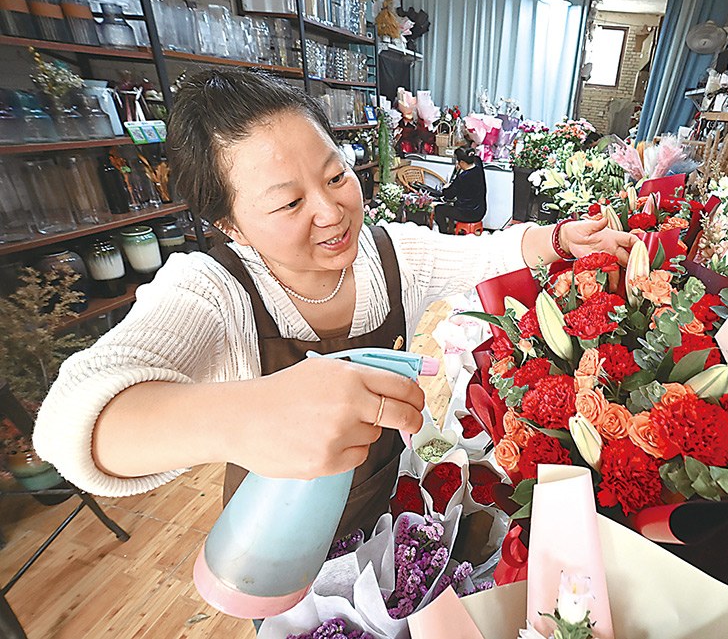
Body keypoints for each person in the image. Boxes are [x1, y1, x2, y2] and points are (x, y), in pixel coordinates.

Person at [32, 69, 637, 546]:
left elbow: (477, 256)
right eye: (289, 204)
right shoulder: (210, 289)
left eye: (335, 176)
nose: (331, 211)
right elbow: (67, 423)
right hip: (275, 540)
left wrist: (556, 240)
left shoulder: (387, 254)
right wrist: (244, 417)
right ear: (230, 225)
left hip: (380, 512)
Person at [433, 146, 486, 234]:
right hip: (481, 211)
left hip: (468, 214)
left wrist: (446, 188)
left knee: (439, 210)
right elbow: (476, 158)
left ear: (461, 162)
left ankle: (444, 234)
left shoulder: (463, 178)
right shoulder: (478, 166)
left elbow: (448, 195)